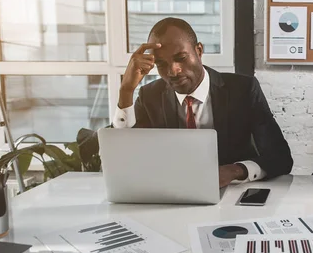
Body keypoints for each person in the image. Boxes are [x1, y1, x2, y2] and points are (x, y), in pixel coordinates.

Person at [113, 17, 293, 187]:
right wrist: (126, 91)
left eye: (181, 58)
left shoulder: (242, 90)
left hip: (231, 194)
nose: (173, 71)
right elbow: (124, 158)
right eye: (161, 64)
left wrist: (234, 171)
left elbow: (280, 157)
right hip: (173, 195)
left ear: (198, 51)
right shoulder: (150, 95)